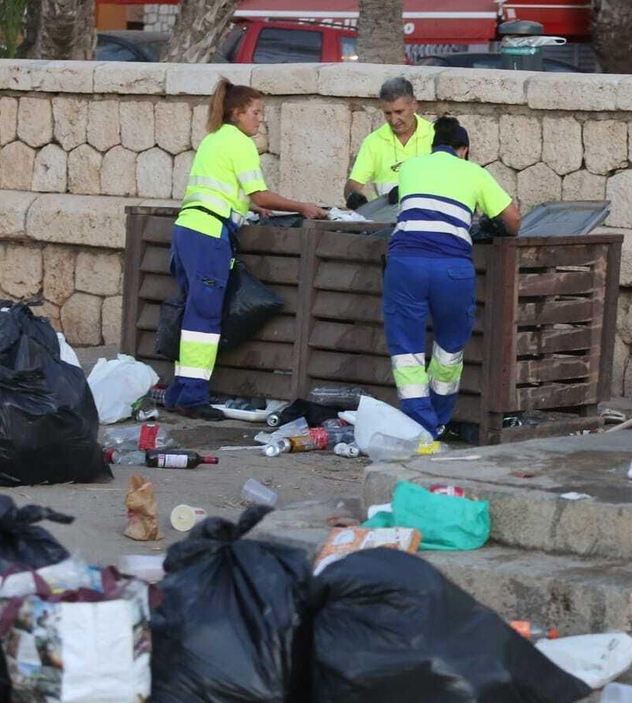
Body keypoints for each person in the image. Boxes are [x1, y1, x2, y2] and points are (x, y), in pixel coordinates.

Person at [165, 80, 326, 419]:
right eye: (256, 112)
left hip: (186, 231)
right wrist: (302, 207)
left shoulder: (214, 139)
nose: (260, 120)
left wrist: (250, 207)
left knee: (191, 311)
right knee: (205, 317)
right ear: (237, 113)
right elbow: (261, 194)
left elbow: (231, 192)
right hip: (209, 235)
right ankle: (193, 397)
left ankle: (179, 391)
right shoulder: (241, 143)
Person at [383, 116, 521, 438]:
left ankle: (420, 426)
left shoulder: (410, 167)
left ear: (433, 147)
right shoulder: (474, 171)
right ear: (465, 150)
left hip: (406, 265)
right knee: (448, 351)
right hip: (452, 270)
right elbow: (513, 221)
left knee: (407, 351)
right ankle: (438, 423)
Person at [342, 77, 436, 209]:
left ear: (414, 105)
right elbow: (353, 184)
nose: (393, 120)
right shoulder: (373, 141)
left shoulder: (436, 136)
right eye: (387, 113)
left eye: (399, 112)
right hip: (384, 219)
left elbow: (450, 180)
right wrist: (353, 196)